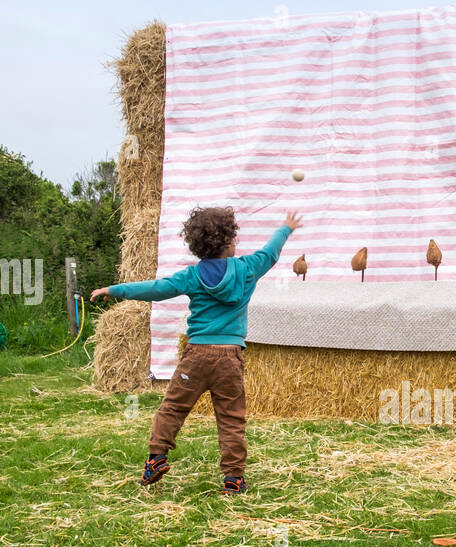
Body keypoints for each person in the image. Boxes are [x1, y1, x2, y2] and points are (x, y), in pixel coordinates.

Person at [91, 206, 301, 492]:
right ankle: (234, 478)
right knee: (231, 417)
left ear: (197, 245)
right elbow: (271, 253)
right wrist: (285, 228)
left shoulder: (191, 276)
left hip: (197, 355)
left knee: (174, 407)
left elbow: (156, 288)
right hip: (229, 356)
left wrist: (115, 290)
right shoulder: (247, 268)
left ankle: (156, 458)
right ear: (228, 241)